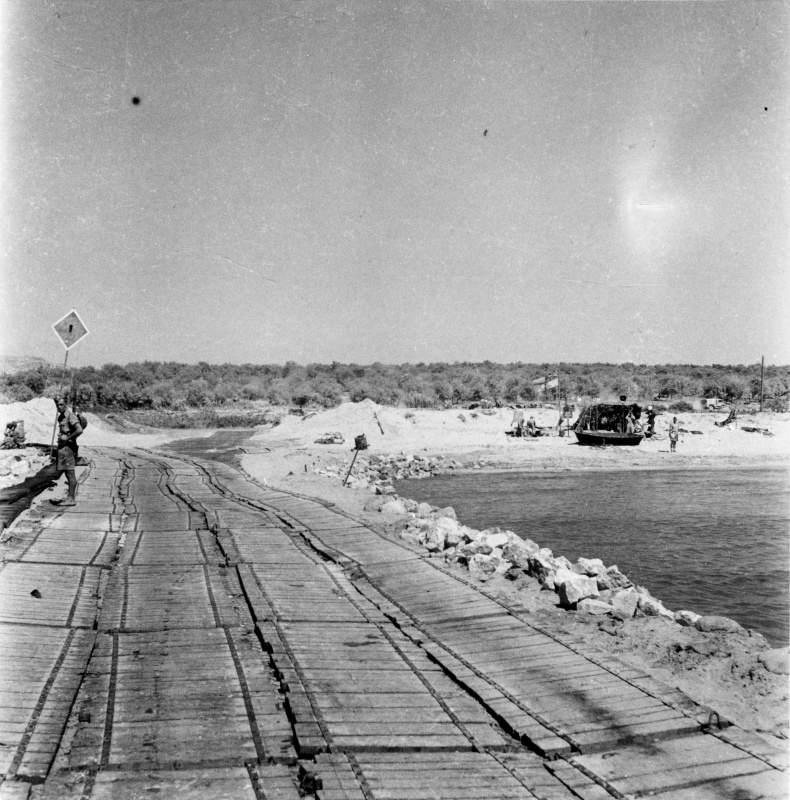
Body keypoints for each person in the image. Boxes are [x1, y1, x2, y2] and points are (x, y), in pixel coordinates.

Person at [53, 396, 83, 506]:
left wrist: (68, 438)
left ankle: (71, 499)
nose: (59, 407)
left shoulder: (70, 416)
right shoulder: (61, 417)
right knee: (67, 473)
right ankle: (70, 497)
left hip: (68, 448)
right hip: (63, 448)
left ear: (66, 405)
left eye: (61, 405)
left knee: (70, 473)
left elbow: (79, 430)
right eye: (57, 405)